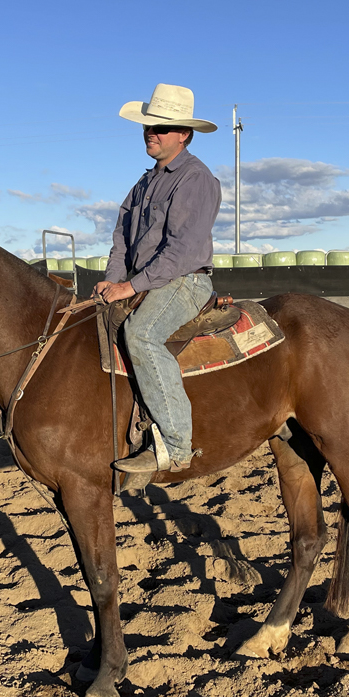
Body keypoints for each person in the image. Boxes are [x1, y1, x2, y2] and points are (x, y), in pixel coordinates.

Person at [93, 83, 222, 473]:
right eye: (148, 126)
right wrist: (113, 279)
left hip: (184, 280)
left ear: (183, 134)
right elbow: (121, 235)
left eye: (160, 128)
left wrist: (130, 286)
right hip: (146, 278)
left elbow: (182, 249)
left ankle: (177, 445)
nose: (150, 133)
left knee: (141, 334)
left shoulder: (196, 179)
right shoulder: (144, 183)